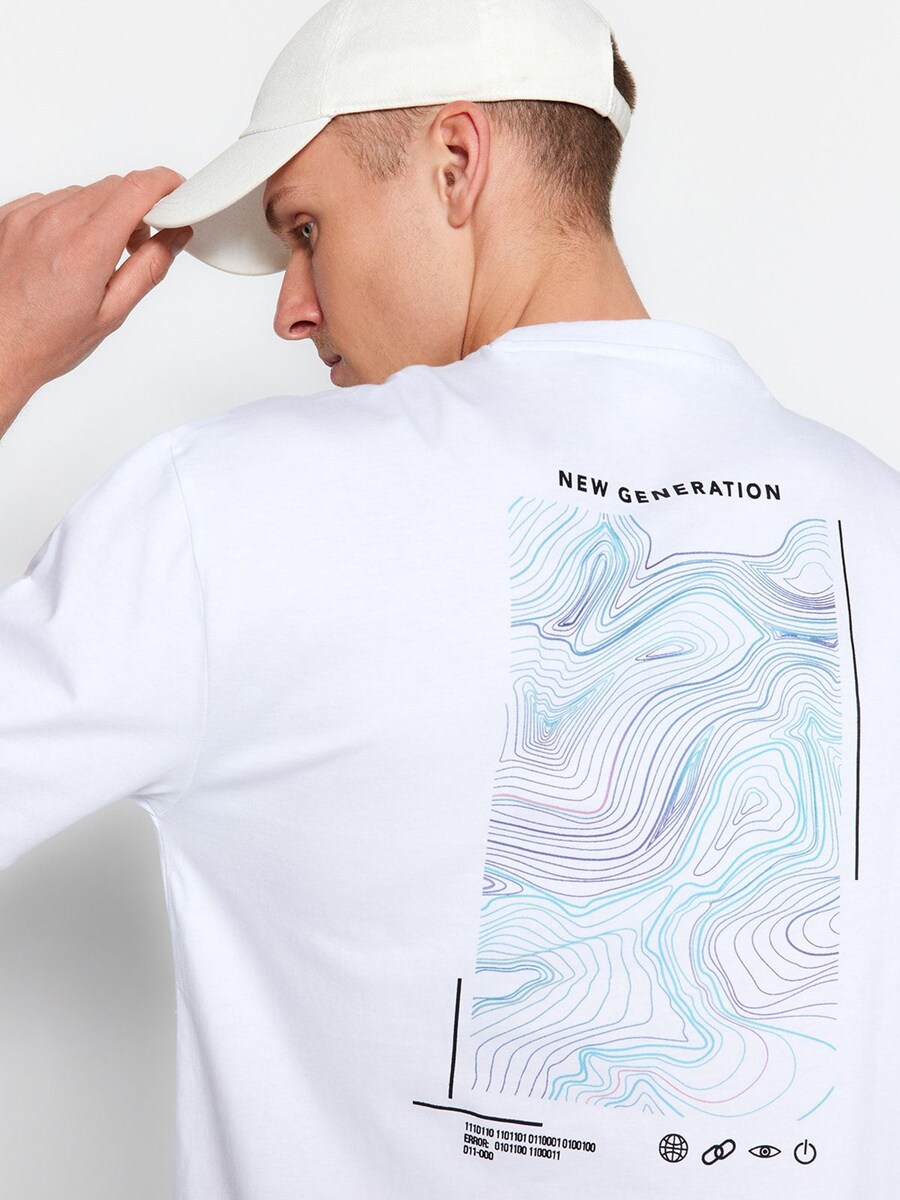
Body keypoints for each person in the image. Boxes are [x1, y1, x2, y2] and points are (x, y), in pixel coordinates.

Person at [1, 1, 897, 1197]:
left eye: (306, 229)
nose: (291, 308)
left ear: (457, 163)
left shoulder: (233, 513)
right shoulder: (877, 521)